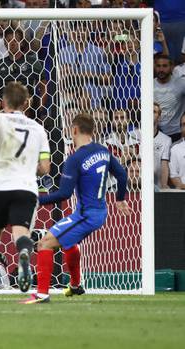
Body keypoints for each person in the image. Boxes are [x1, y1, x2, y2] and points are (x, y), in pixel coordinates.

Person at [22, 113, 131, 304]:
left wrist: (37, 200)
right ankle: (75, 285)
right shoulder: (103, 150)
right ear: (93, 131)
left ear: (74, 130)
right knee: (68, 242)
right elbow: (122, 175)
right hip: (98, 211)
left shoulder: (75, 158)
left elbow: (64, 194)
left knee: (45, 243)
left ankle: (41, 294)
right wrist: (120, 198)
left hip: (86, 215)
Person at [0, 82, 51, 306]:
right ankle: (24, 254)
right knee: (21, 233)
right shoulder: (38, 128)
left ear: (3, 102)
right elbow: (45, 168)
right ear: (26, 103)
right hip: (25, 186)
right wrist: (25, 164)